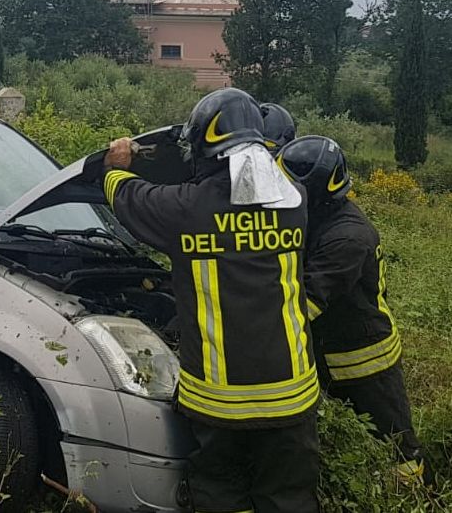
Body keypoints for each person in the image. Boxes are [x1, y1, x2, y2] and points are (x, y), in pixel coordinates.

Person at [97, 88, 320, 513]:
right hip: (292, 394)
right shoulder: (295, 202)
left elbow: (128, 197)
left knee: (220, 494)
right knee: (289, 497)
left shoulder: (186, 209)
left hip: (219, 401)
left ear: (205, 147)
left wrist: (115, 167)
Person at [278, 135, 427, 485]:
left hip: (365, 360)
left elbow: (305, 305)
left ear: (314, 191)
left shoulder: (347, 238)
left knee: (397, 444)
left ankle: (416, 494)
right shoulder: (320, 218)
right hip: (332, 350)